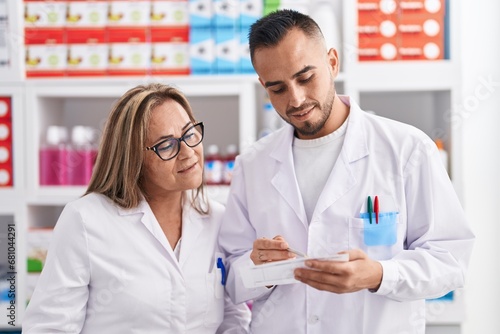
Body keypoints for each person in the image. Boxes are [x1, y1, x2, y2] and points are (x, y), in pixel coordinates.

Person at [219, 9, 475, 334]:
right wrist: (257, 267)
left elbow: (450, 261)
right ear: (262, 85)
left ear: (333, 62)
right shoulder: (252, 165)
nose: (296, 99)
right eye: (278, 88)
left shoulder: (407, 149)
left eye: (305, 77)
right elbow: (230, 279)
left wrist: (380, 275)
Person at [22, 83, 250, 333]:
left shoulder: (216, 218)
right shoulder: (86, 221)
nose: (188, 152)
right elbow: (49, 327)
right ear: (132, 158)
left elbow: (232, 319)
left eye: (190, 134)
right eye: (166, 145)